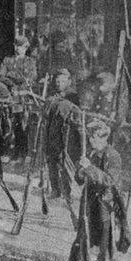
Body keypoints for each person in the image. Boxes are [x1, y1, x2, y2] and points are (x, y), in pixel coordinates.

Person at [65, 119, 121, 261]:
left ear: (104, 138)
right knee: (82, 235)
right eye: (90, 138)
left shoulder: (113, 156)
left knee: (104, 239)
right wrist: (81, 170)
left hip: (105, 201)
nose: (91, 141)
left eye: (94, 138)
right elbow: (79, 179)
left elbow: (109, 180)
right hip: (89, 200)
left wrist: (89, 168)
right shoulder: (90, 153)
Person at [44, 69, 83, 202]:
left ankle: (67, 192)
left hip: (66, 137)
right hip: (52, 134)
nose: (59, 83)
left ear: (69, 82)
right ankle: (55, 190)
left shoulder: (72, 96)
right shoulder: (53, 95)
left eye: (62, 81)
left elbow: (76, 115)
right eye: (57, 81)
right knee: (51, 163)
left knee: (63, 163)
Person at [0, 35, 39, 161]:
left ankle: (24, 152)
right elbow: (1, 76)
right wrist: (13, 83)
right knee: (10, 124)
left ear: (26, 48)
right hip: (12, 96)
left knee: (25, 125)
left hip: (25, 97)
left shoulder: (30, 62)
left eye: (22, 47)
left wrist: (13, 77)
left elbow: (32, 78)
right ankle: (11, 152)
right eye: (17, 46)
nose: (19, 49)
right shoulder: (7, 60)